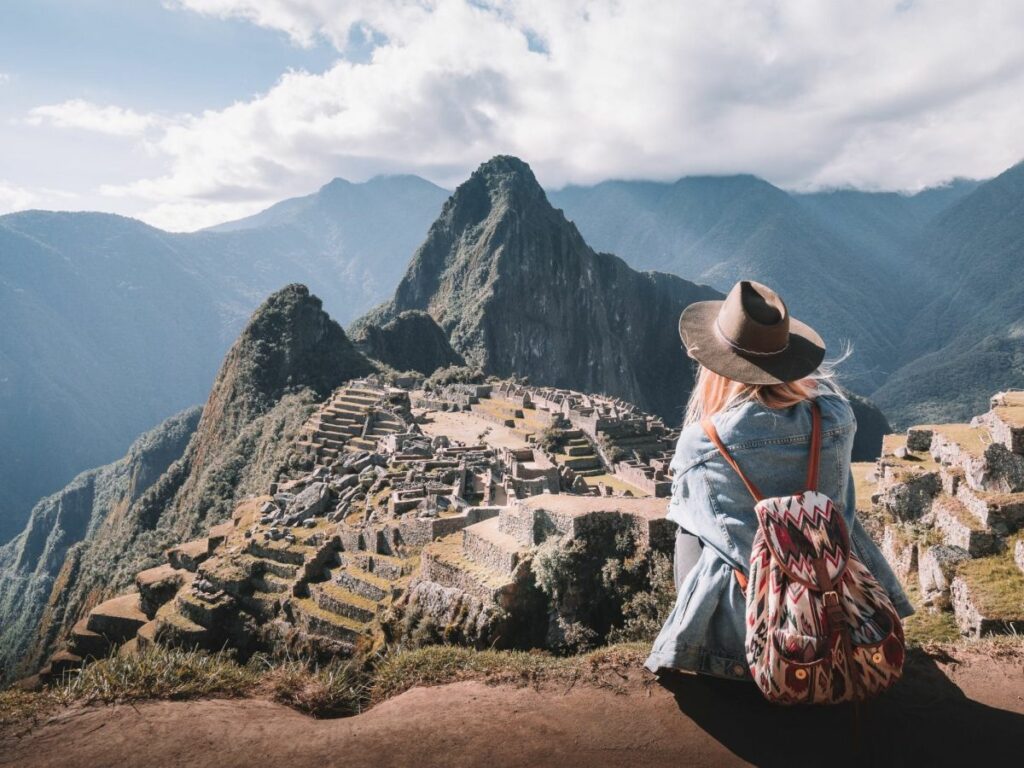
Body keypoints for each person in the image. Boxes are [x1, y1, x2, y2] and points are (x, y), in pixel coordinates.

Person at [644, 280, 913, 680]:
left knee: (687, 524)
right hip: (838, 615)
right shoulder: (836, 418)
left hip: (749, 637)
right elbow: (846, 514)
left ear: (716, 364)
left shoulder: (702, 441)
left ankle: (698, 643)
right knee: (834, 512)